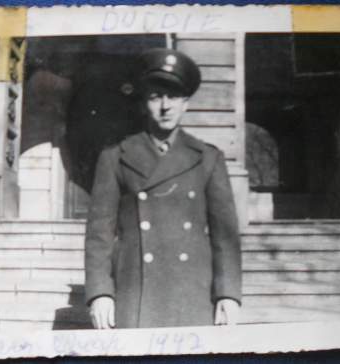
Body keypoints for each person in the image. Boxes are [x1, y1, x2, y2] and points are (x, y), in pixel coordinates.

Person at [84, 48, 242, 329]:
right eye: (156, 96)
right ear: (144, 103)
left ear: (186, 104)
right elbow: (99, 235)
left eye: (173, 96)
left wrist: (228, 294)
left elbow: (225, 236)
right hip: (135, 291)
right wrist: (100, 293)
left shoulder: (208, 158)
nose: (165, 106)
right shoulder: (115, 157)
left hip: (193, 292)